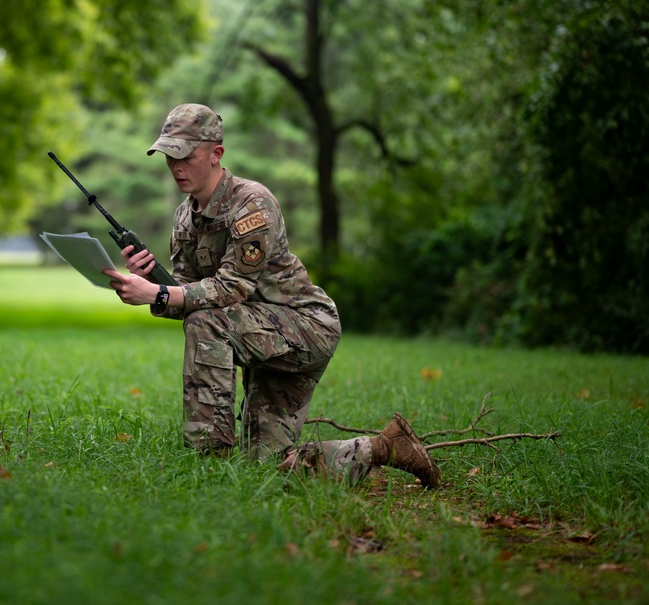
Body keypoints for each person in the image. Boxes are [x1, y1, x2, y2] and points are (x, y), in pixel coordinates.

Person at [102, 103, 441, 488]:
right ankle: (383, 448)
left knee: (207, 322)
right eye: (169, 156)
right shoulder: (184, 218)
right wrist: (154, 282)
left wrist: (161, 294)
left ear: (216, 154)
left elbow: (231, 289)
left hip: (305, 327)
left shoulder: (251, 203)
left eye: (186, 155)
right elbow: (190, 298)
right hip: (256, 337)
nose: (176, 166)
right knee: (264, 468)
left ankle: (209, 460)